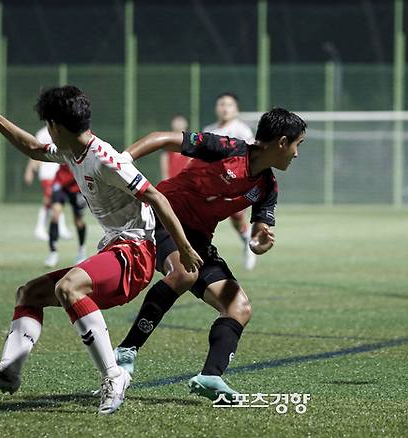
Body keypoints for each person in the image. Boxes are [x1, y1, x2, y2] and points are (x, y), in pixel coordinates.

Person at [0, 86, 202, 415]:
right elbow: (33, 148)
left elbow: (156, 198)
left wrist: (184, 248)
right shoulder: (70, 150)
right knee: (29, 293)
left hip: (135, 252)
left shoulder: (105, 159)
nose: (46, 131)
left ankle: (114, 376)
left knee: (68, 287)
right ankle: (8, 371)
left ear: (56, 126)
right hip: (116, 248)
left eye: (47, 124)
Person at [112, 108, 307, 402]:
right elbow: (161, 138)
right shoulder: (227, 148)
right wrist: (122, 163)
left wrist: (259, 243)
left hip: (199, 240)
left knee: (238, 307)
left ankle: (210, 377)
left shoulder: (267, 187)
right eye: (297, 145)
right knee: (184, 273)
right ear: (281, 142)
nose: (296, 154)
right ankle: (126, 351)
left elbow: (259, 232)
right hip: (162, 219)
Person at [203, 93, 258, 271]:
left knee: (236, 215)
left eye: (229, 104)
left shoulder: (241, 130)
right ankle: (200, 251)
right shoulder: (209, 129)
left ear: (236, 109)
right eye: (221, 104)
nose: (225, 108)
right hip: (211, 182)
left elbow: (250, 156)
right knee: (201, 216)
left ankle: (247, 241)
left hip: (234, 181)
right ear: (216, 108)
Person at [23, 127, 71, 241]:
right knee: (49, 197)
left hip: (59, 173)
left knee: (58, 199)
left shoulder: (63, 130)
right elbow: (35, 151)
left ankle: (61, 228)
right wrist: (29, 170)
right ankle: (39, 228)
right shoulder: (42, 133)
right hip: (47, 173)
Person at [44, 163, 88, 267]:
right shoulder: (62, 147)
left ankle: (82, 250)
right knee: (55, 214)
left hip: (77, 186)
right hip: (61, 183)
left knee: (78, 221)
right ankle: (52, 252)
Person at [159, 114, 192, 180]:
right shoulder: (166, 149)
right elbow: (164, 174)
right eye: (177, 120)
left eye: (181, 120)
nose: (179, 123)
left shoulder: (191, 147)